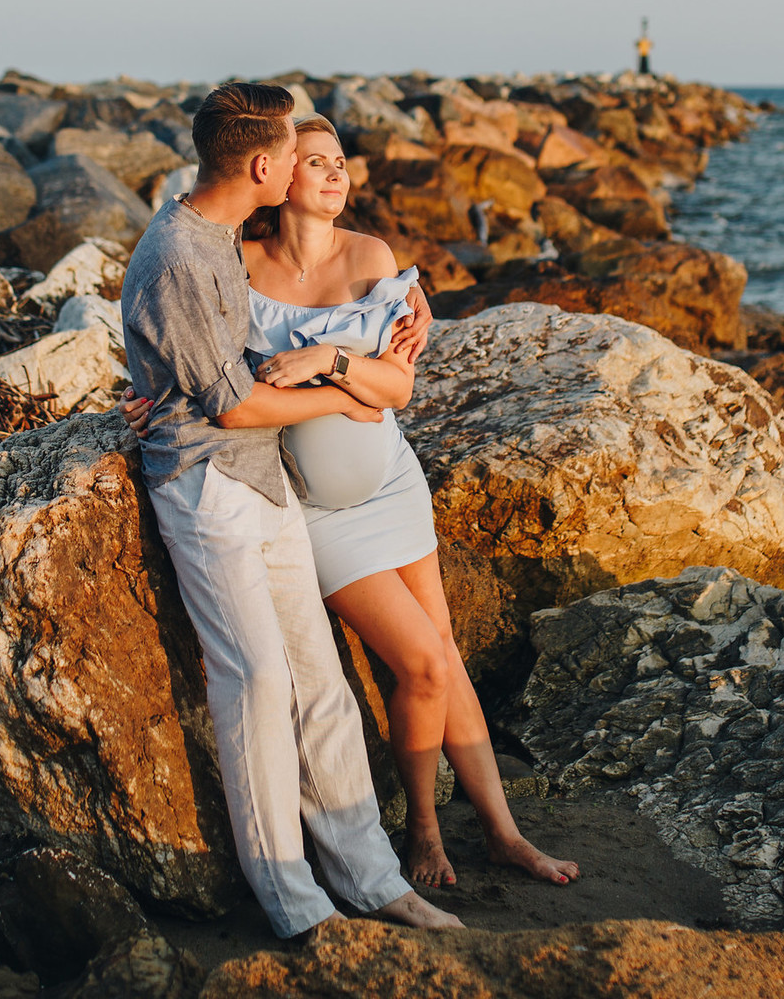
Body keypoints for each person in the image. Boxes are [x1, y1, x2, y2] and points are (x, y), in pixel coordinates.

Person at [125, 114, 579, 891]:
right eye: (318, 163)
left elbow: (395, 387)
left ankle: (504, 832)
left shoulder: (373, 256)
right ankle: (424, 834)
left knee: (444, 654)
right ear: (276, 175)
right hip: (316, 511)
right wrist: (147, 393)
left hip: (393, 482)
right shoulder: (239, 267)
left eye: (343, 163)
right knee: (424, 663)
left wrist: (333, 362)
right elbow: (195, 352)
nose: (339, 176)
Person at [119, 83, 458, 938]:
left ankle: (375, 878)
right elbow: (232, 406)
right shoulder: (179, 257)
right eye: (295, 155)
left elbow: (293, 299)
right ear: (266, 168)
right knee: (259, 682)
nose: (316, 166)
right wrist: (347, 392)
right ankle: (295, 903)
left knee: (321, 683)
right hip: (206, 490)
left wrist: (403, 307)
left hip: (266, 483)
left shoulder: (225, 233)